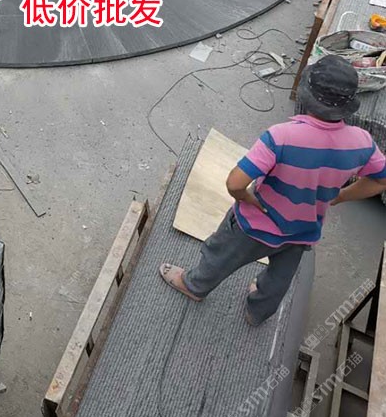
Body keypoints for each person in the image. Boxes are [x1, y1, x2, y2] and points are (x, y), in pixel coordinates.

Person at [159, 56, 386, 326]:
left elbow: (235, 183)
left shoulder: (281, 136)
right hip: (304, 229)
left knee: (220, 254)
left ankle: (194, 286)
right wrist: (341, 196)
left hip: (256, 224)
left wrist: (247, 198)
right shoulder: (362, 142)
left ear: (306, 94)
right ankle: (257, 313)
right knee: (279, 278)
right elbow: (380, 180)